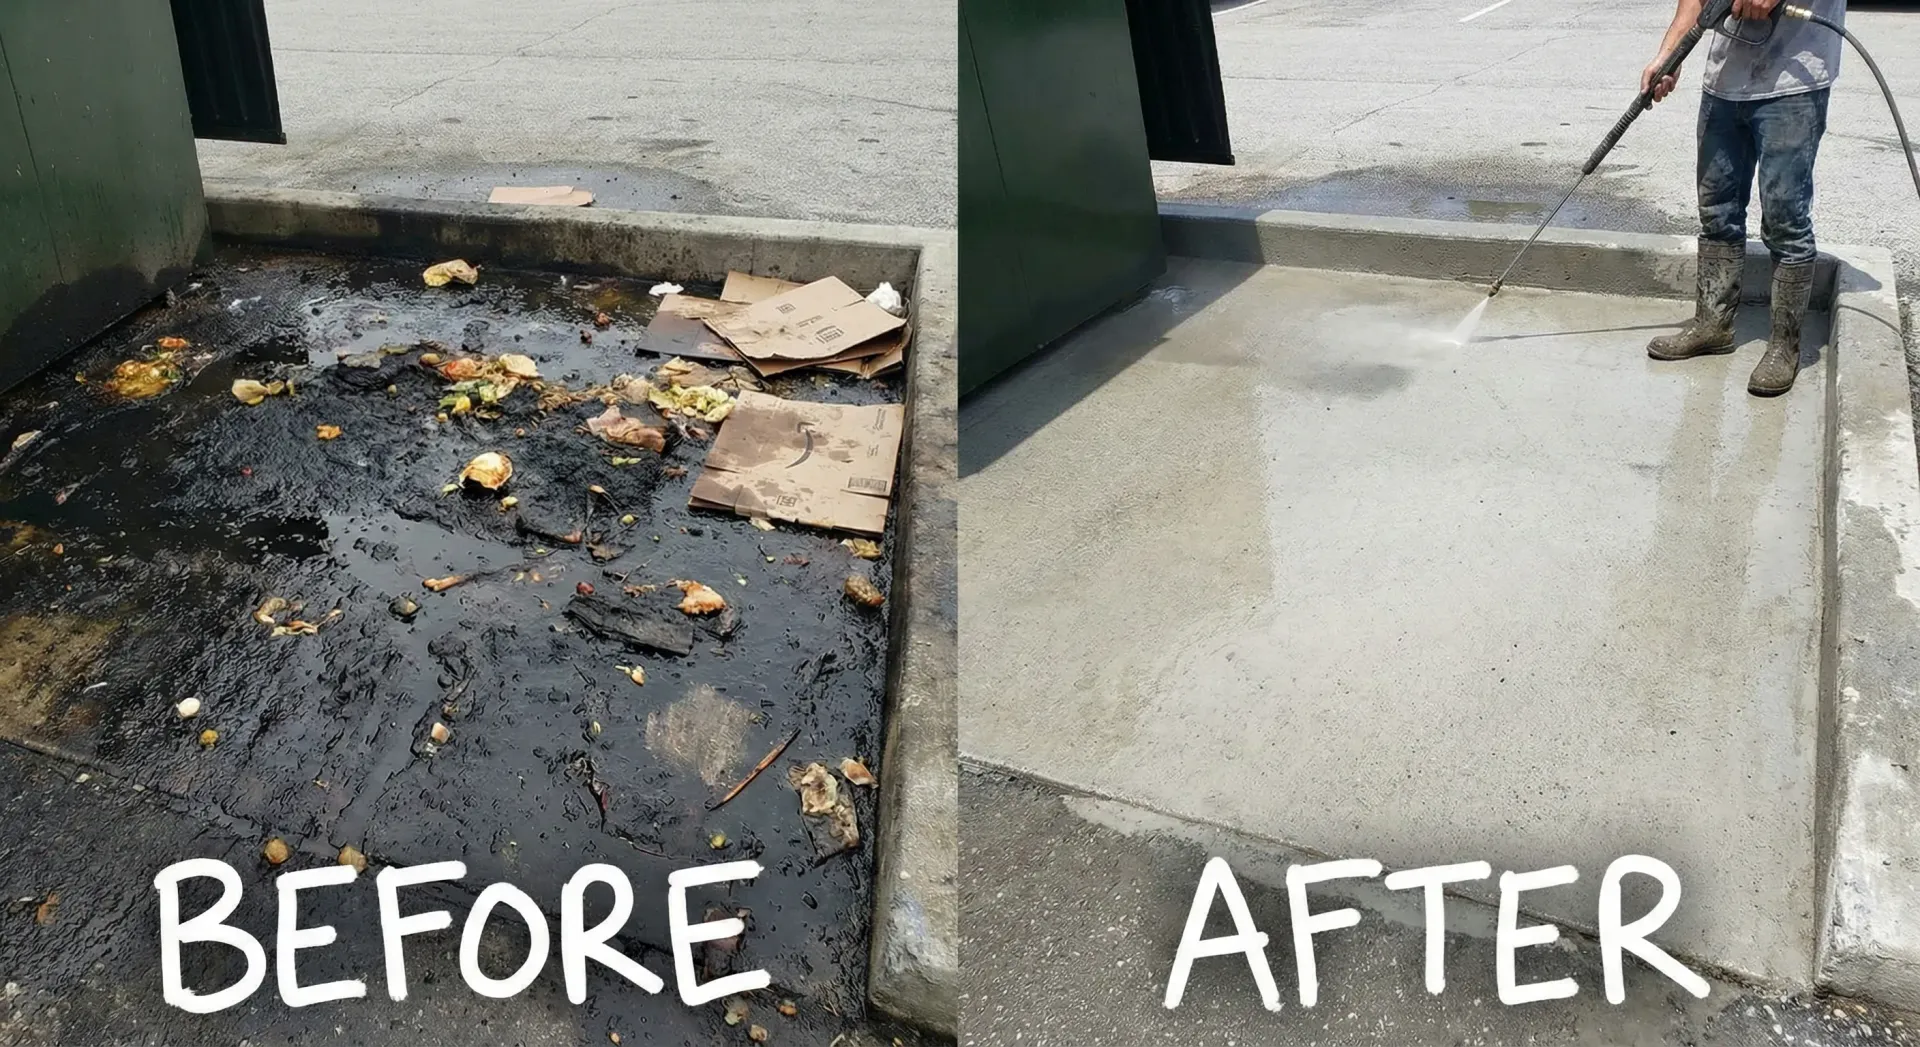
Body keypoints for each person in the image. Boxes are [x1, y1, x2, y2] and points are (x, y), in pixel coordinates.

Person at [1641, 0, 1845, 397]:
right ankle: (1713, 325)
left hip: (1793, 80)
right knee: (1717, 209)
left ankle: (1785, 347)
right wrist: (1671, 52)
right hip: (1725, 83)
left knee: (1785, 219)